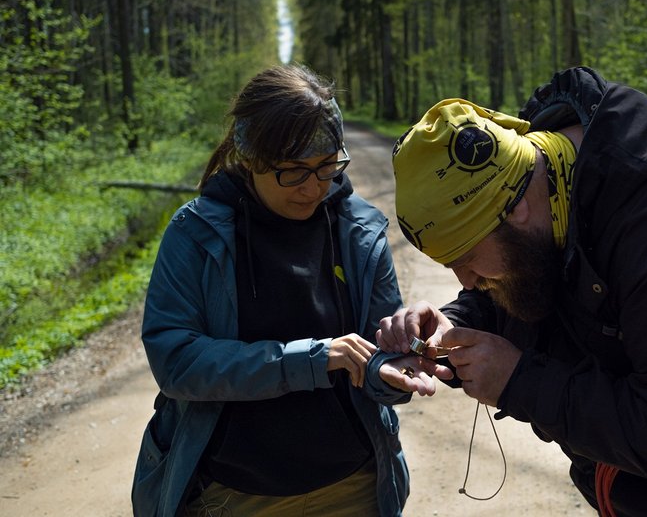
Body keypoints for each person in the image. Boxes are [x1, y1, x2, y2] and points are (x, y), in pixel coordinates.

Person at [378, 66, 647, 516]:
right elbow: (533, 275)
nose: (465, 280)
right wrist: (458, 321)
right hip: (625, 480)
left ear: (516, 210)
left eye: (466, 258)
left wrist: (521, 383)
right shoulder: (546, 179)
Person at [131, 63, 444, 517]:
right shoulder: (196, 233)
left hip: (353, 488)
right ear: (251, 158)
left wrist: (392, 368)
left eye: (326, 167)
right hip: (235, 494)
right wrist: (309, 360)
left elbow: (372, 357)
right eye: (293, 171)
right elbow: (177, 362)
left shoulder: (360, 230)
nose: (313, 187)